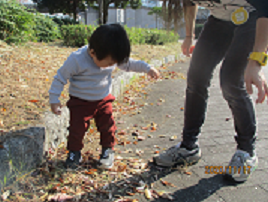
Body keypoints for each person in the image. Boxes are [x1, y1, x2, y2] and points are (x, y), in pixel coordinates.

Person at [154, 0, 268, 183]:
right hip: (219, 22)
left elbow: (265, 9)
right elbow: (189, 2)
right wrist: (190, 35)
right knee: (196, 77)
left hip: (252, 18)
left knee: (231, 81)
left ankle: (247, 152)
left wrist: (256, 61)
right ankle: (188, 147)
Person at [49, 24, 160, 170]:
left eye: (114, 63)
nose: (112, 65)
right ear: (93, 52)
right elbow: (60, 78)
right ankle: (74, 153)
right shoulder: (77, 60)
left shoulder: (110, 54)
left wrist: (147, 68)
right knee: (77, 129)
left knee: (108, 126)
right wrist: (54, 100)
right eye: (109, 63)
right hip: (80, 102)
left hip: (103, 99)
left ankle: (108, 150)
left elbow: (129, 64)